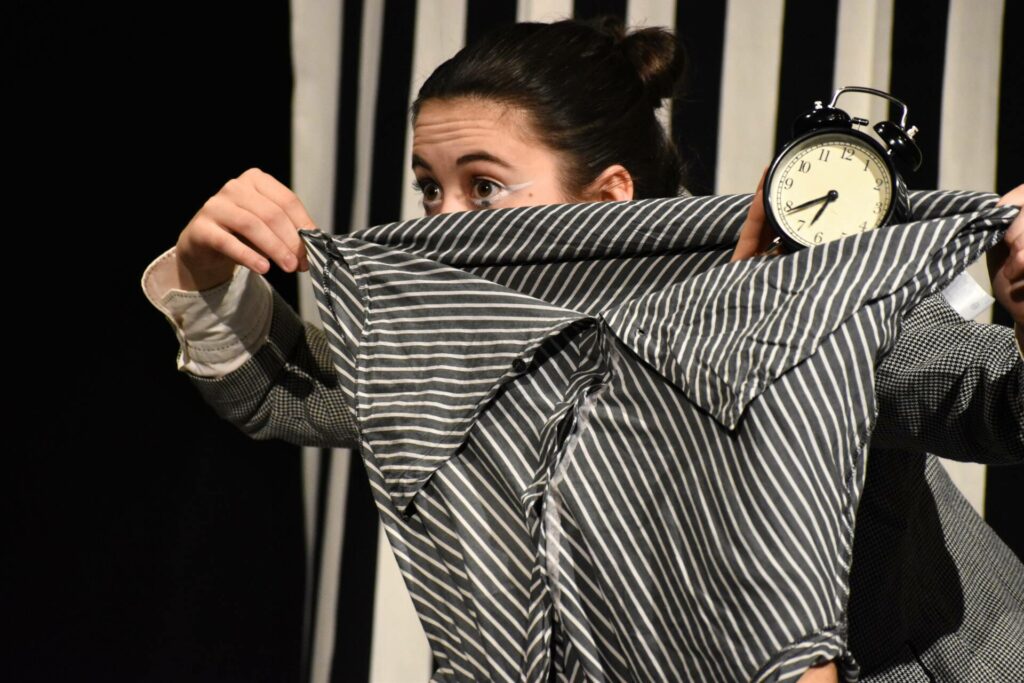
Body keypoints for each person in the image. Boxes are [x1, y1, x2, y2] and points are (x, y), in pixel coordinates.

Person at [143, 17, 1024, 682]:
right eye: (429, 189)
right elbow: (284, 391)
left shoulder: (799, 293)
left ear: (607, 196)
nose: (444, 221)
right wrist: (203, 270)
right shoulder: (458, 352)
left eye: (484, 186)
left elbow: (996, 401)